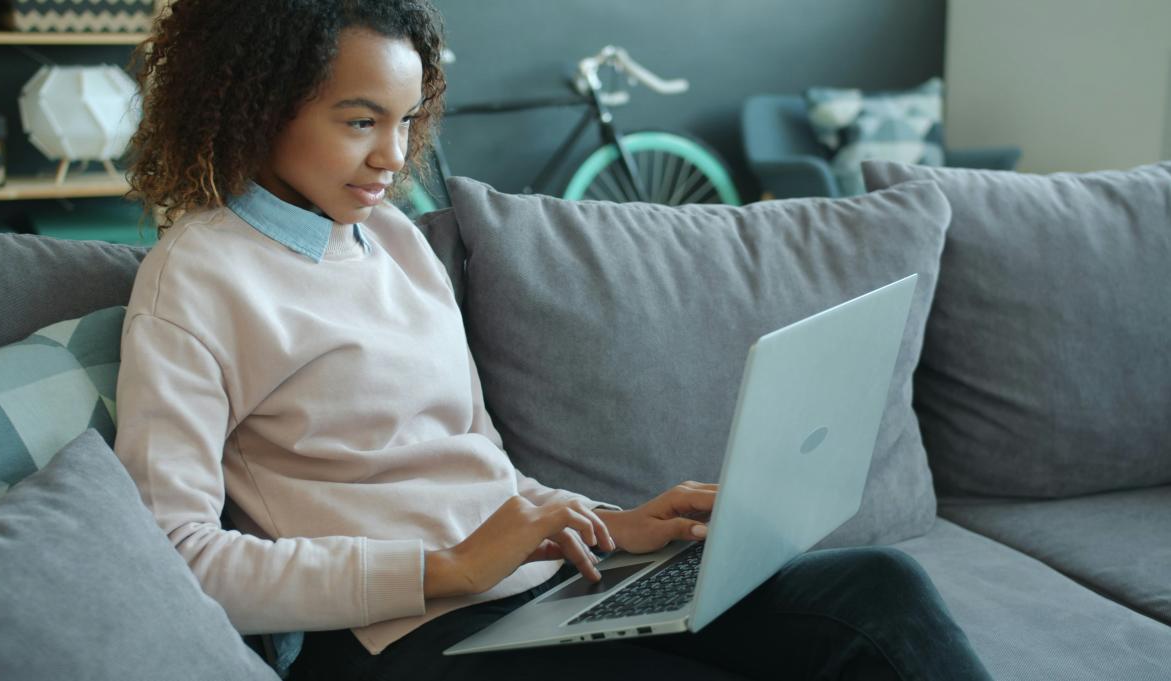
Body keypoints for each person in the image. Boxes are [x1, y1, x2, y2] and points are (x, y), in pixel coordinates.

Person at [117, 1, 993, 679]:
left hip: (540, 587)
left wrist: (616, 525)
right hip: (405, 632)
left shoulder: (394, 242)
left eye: (406, 117)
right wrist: (448, 568)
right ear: (259, 106)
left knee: (878, 587)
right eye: (358, 121)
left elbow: (478, 460)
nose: (395, 154)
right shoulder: (196, 275)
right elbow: (176, 555)